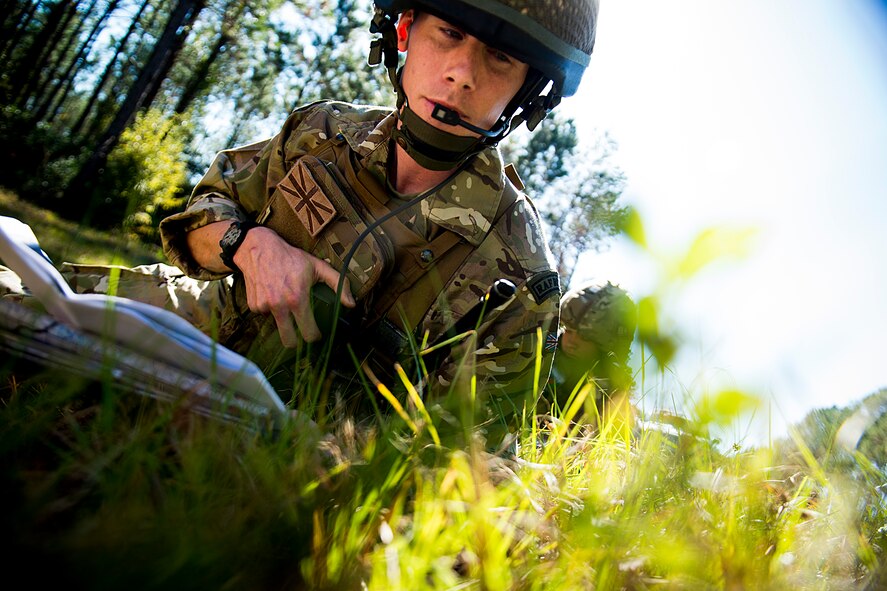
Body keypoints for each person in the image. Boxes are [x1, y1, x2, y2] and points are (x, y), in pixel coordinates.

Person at [3, 0, 603, 424]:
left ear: (529, 90)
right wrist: (250, 246)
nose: (460, 74)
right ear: (405, 29)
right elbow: (207, 208)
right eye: (448, 33)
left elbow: (463, 455)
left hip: (303, 435)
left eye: (499, 58)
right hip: (197, 320)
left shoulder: (518, 275)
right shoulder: (324, 131)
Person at [546, 281, 637, 429]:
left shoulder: (610, 386)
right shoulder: (547, 346)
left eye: (585, 337)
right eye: (568, 330)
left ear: (607, 346)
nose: (572, 341)